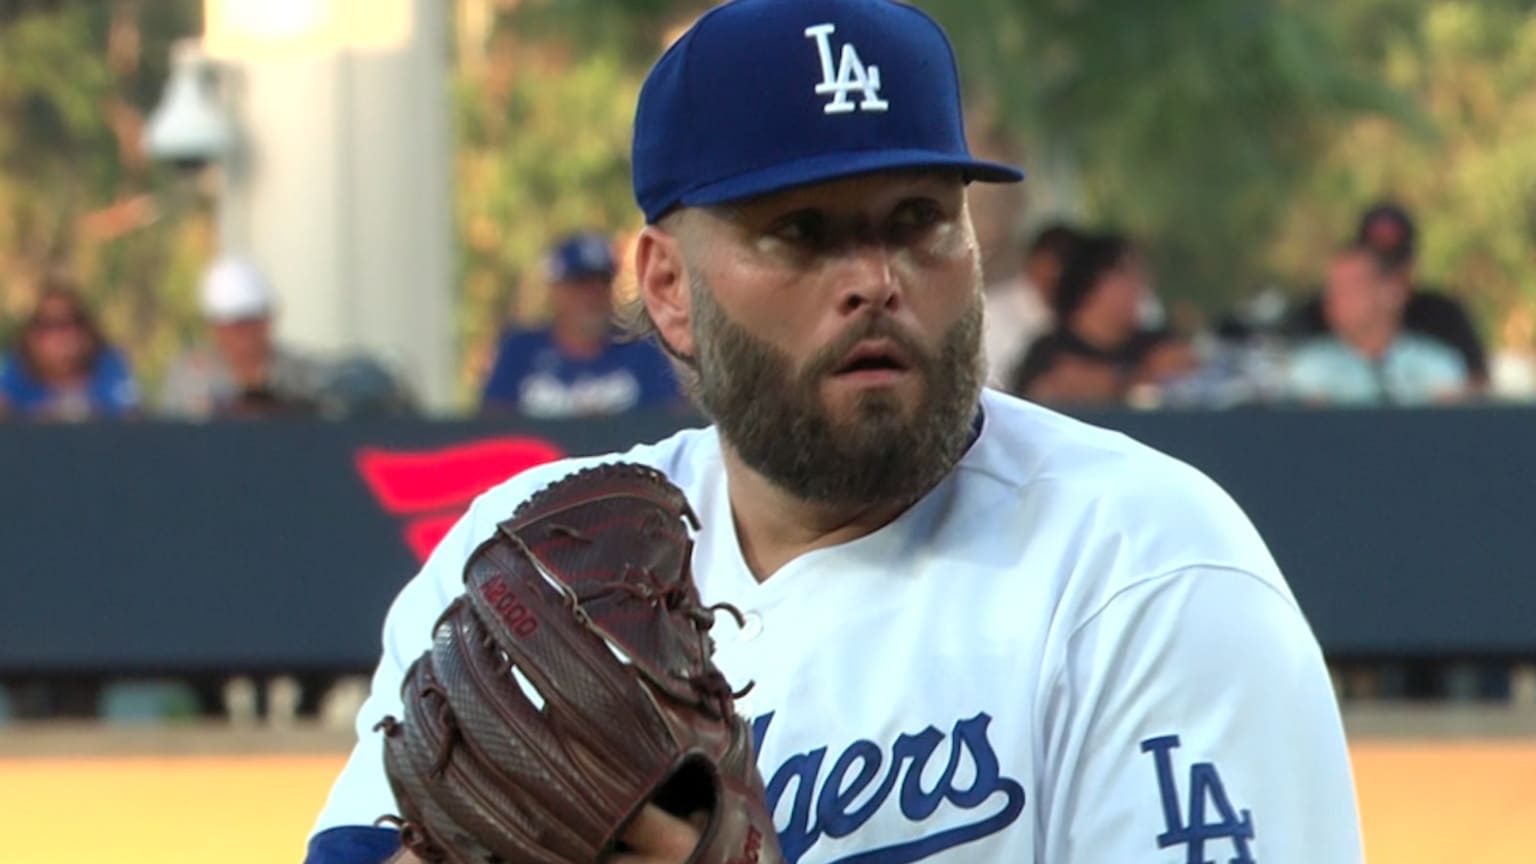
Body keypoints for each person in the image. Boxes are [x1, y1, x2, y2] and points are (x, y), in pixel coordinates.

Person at [308, 1, 1362, 862]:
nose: (875, 281)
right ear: (669, 290)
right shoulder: (535, 564)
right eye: (801, 233)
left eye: (917, 221)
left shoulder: (1146, 567)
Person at [479, 232, 683, 418]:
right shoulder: (521, 349)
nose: (592, 294)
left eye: (602, 281)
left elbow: (670, 419)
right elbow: (494, 425)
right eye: (580, 283)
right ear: (556, 289)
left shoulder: (641, 348)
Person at [1291, 202, 1488, 389]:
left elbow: (1473, 389)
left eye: (1396, 264)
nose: (1393, 279)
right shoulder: (1311, 341)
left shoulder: (1443, 318)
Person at [1007, 232, 1197, 406]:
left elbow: (1190, 377)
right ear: (1091, 282)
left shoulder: (1158, 343)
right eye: (1126, 274)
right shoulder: (1047, 352)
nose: (1140, 285)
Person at [1286, 243, 1471, 406]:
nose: (1333, 300)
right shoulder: (1307, 370)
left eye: (1349, 288)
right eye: (1332, 289)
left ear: (1390, 292)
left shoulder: (1437, 365)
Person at [158, 255, 326, 419]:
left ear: (268, 321)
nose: (242, 335)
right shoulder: (191, 376)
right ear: (214, 328)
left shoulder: (302, 374)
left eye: (249, 322)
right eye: (231, 326)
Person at [0, 279, 139, 422]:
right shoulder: (17, 368)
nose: (60, 335)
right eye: (48, 324)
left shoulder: (108, 364)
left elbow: (128, 418)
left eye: (70, 321)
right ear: (32, 335)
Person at [981, 223, 1080, 388]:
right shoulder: (992, 311)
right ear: (1034, 261)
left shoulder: (1074, 314)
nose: (1057, 274)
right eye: (1053, 264)